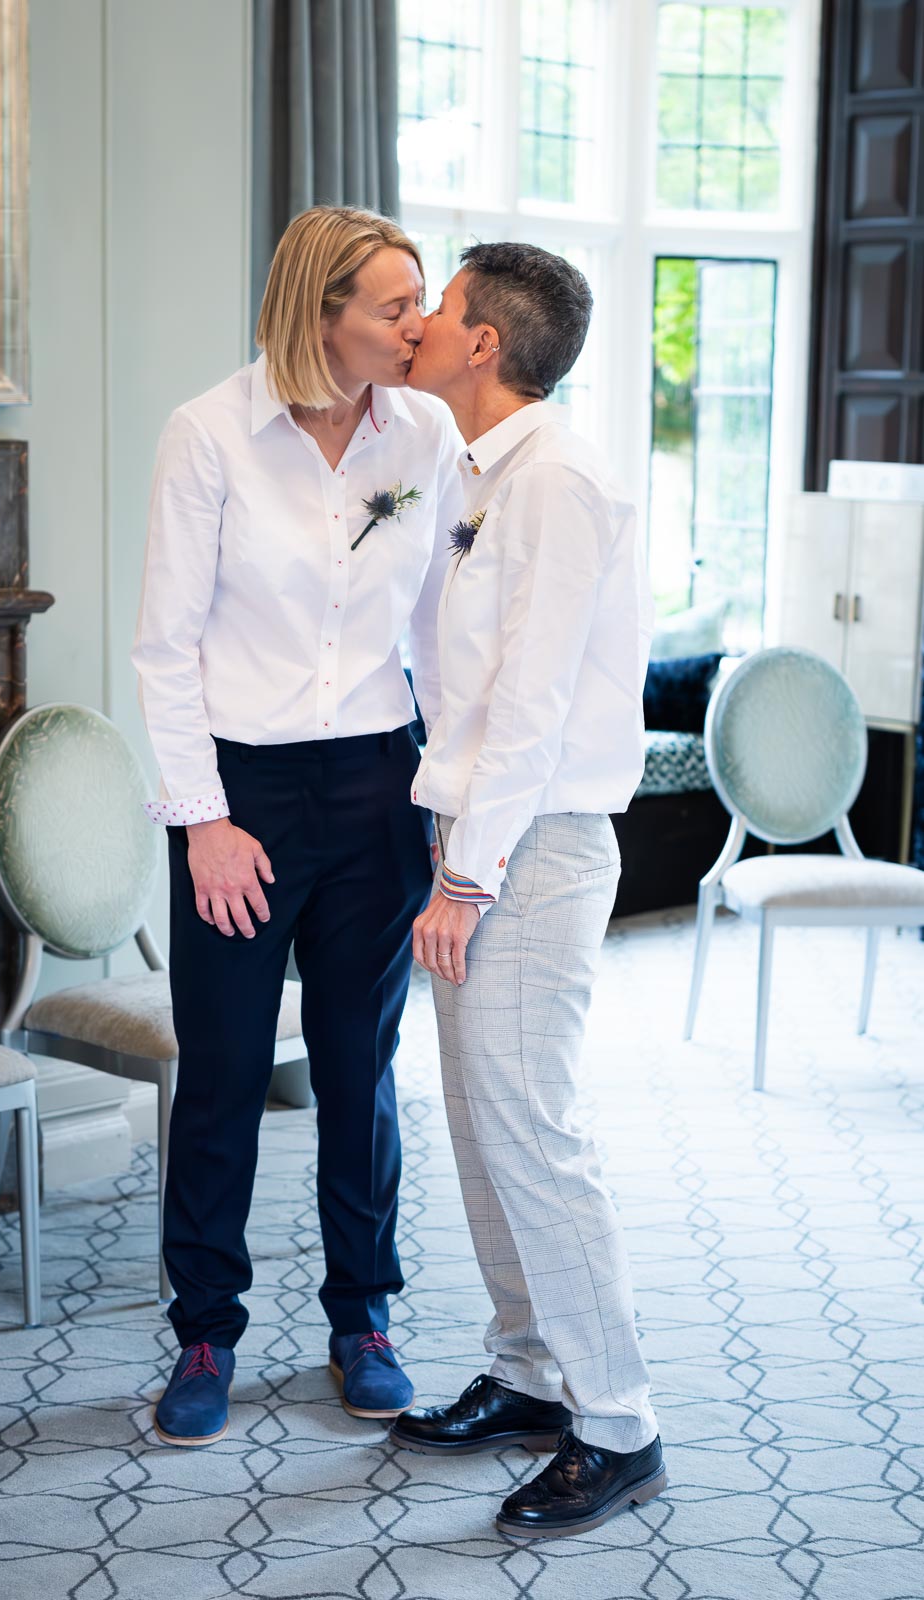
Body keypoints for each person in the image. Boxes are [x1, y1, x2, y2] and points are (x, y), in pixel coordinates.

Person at [131, 206, 463, 1447]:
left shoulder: (424, 429)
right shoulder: (209, 433)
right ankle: (207, 1330)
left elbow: (437, 629)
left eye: (423, 300)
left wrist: (443, 795)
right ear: (319, 312)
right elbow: (163, 649)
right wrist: (204, 823)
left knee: (357, 1068)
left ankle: (362, 1316)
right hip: (244, 800)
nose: (418, 325)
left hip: (378, 784)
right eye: (393, 304)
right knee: (219, 1071)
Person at [390, 242, 665, 1538]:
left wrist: (464, 873)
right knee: (483, 1127)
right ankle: (528, 1372)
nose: (419, 326)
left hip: (534, 846)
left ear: (485, 343)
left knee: (534, 1134)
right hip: (481, 828)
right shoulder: (476, 467)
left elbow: (535, 700)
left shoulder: (557, 481)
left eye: (435, 310)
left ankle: (619, 1424)